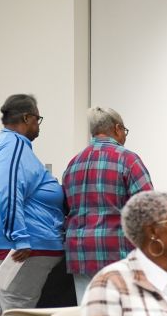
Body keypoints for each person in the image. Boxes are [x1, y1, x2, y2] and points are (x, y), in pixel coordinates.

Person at [0, 94, 65, 316]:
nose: (38, 126)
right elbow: (8, 191)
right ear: (27, 117)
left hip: (5, 240)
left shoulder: (3, 143)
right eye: (37, 119)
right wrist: (20, 238)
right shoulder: (13, 145)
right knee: (17, 313)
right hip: (23, 243)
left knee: (3, 309)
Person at [62, 106, 154, 298]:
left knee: (87, 315)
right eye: (125, 132)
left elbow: (66, 206)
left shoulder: (73, 163)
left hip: (79, 252)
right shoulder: (128, 159)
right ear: (118, 128)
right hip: (117, 250)